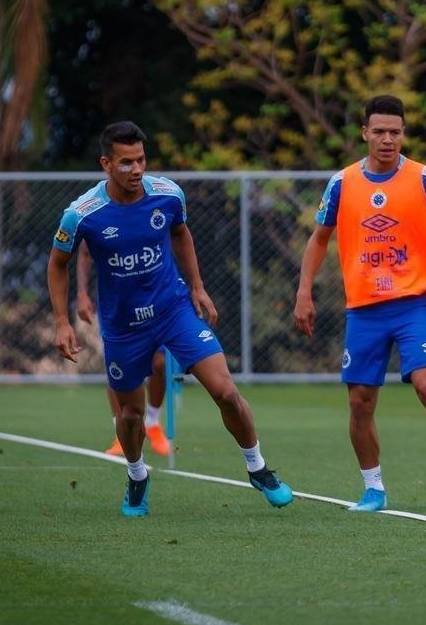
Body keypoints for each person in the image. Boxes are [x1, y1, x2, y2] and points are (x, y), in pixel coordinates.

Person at [47, 121, 292, 516]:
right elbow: (58, 264)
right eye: (126, 163)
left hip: (173, 310)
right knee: (130, 415)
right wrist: (62, 321)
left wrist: (197, 286)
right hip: (123, 326)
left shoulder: (168, 194)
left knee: (226, 391)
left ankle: (258, 468)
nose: (136, 170)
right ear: (106, 164)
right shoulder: (81, 214)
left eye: (141, 160)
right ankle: (137, 475)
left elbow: (180, 233)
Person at [294, 94, 426, 513]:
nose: (387, 139)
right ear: (365, 133)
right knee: (360, 401)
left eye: (395, 132)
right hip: (364, 309)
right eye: (379, 131)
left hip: (414, 304)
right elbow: (319, 239)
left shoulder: (424, 178)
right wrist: (304, 292)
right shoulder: (342, 183)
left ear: (403, 133)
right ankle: (373, 489)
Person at [76, 244, 172, 457]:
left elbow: (175, 237)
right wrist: (82, 293)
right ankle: (122, 433)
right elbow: (85, 252)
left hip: (153, 297)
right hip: (116, 302)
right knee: (117, 365)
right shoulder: (98, 221)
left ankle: (152, 423)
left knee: (159, 362)